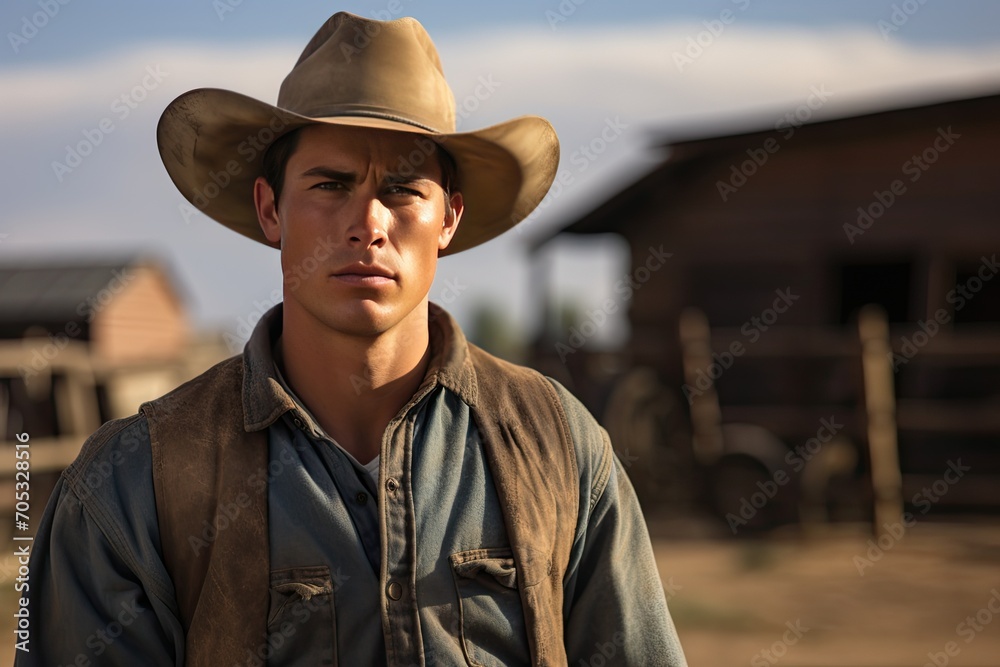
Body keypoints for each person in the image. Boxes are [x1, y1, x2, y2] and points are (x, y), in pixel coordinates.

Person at [18, 11, 687, 667]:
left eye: (401, 190)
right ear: (270, 208)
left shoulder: (558, 448)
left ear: (448, 219)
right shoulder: (136, 482)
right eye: (331, 185)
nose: (368, 223)